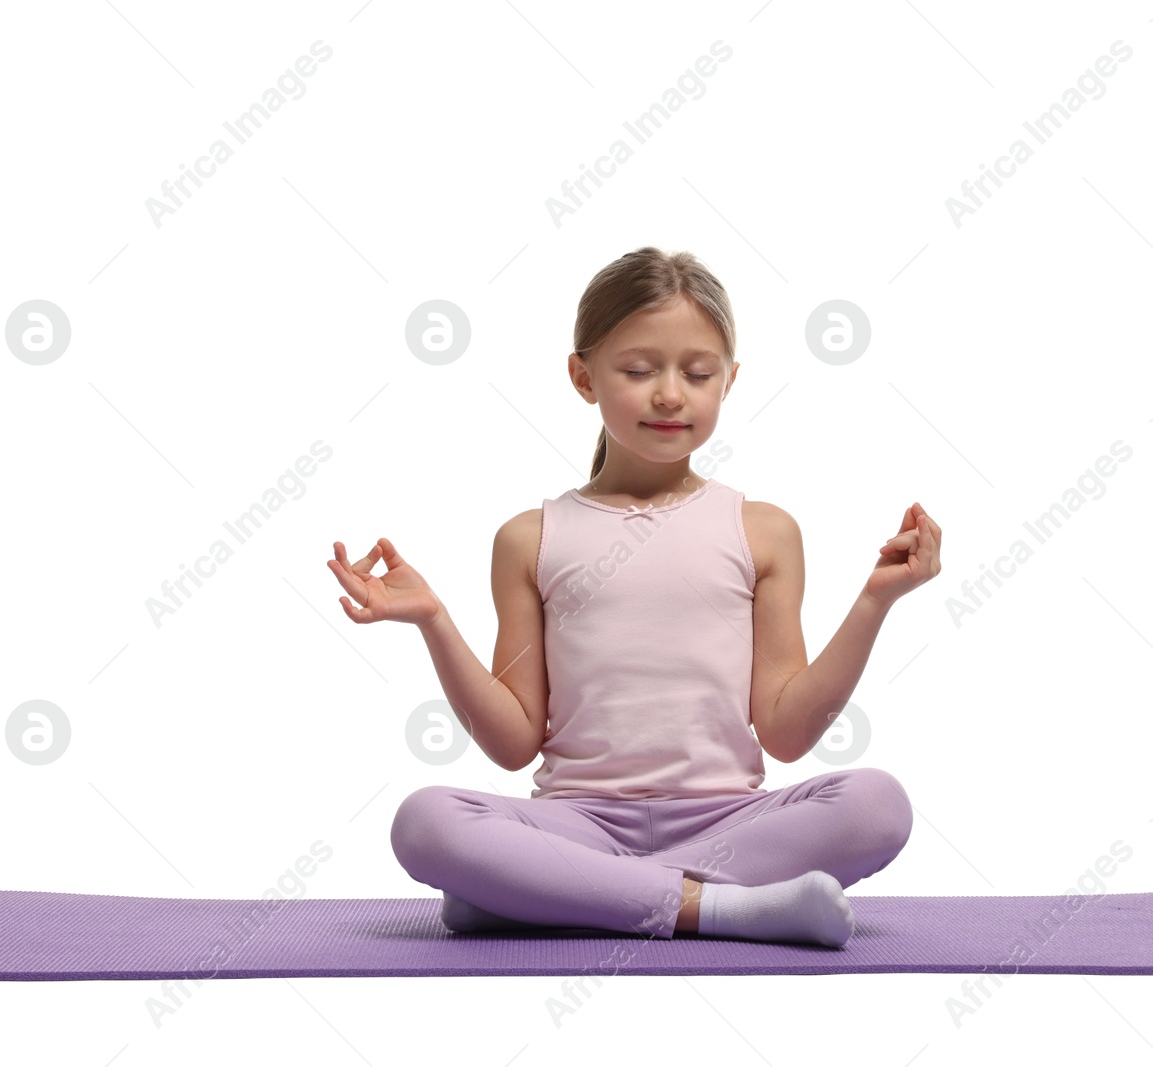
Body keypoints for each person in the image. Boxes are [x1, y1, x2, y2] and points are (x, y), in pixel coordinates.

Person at [327, 246, 942, 947]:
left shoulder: (764, 531)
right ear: (582, 377)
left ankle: (555, 892)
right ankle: (718, 909)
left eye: (698, 372)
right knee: (425, 819)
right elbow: (513, 742)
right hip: (577, 821)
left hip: (726, 824)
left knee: (876, 803)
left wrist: (875, 602)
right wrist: (433, 620)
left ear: (730, 381)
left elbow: (785, 732)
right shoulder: (530, 538)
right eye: (639, 370)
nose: (670, 394)